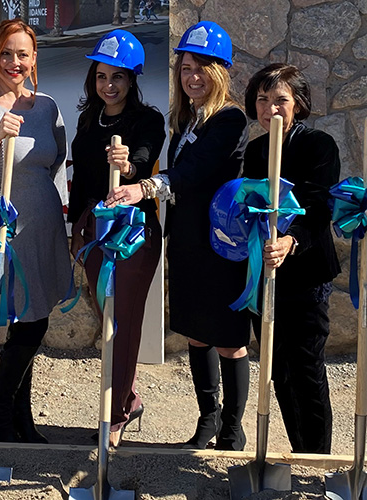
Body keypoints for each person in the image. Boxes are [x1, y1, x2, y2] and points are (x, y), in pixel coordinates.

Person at [106, 21, 251, 451]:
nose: (192, 76)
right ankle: (207, 419)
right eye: (186, 67)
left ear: (221, 71)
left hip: (223, 247)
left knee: (227, 339)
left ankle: (232, 428)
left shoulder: (230, 120)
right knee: (195, 332)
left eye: (203, 67)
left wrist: (144, 186)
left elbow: (191, 172)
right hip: (186, 243)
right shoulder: (184, 120)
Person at [0, 19, 72, 443]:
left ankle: (20, 419)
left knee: (36, 318)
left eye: (22, 54)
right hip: (9, 230)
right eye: (6, 53)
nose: (14, 62)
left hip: (43, 224)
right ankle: (1, 416)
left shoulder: (46, 106)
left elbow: (57, 161)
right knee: (26, 324)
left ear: (33, 59)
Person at [68, 30, 166, 447]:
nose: (109, 85)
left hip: (133, 234)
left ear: (133, 80)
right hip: (94, 231)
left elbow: (143, 160)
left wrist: (127, 168)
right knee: (106, 317)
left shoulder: (148, 119)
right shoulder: (88, 119)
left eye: (119, 78)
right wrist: (76, 229)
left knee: (123, 323)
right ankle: (127, 395)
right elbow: (81, 181)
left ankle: (117, 414)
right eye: (102, 76)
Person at [243, 64, 341, 453]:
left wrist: (290, 242)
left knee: (306, 369)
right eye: (263, 100)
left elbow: (318, 209)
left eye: (280, 99)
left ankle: (318, 458)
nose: (270, 108)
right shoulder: (254, 151)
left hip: (304, 275)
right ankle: (298, 449)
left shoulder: (319, 146)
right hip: (264, 272)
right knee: (277, 370)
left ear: (298, 104)